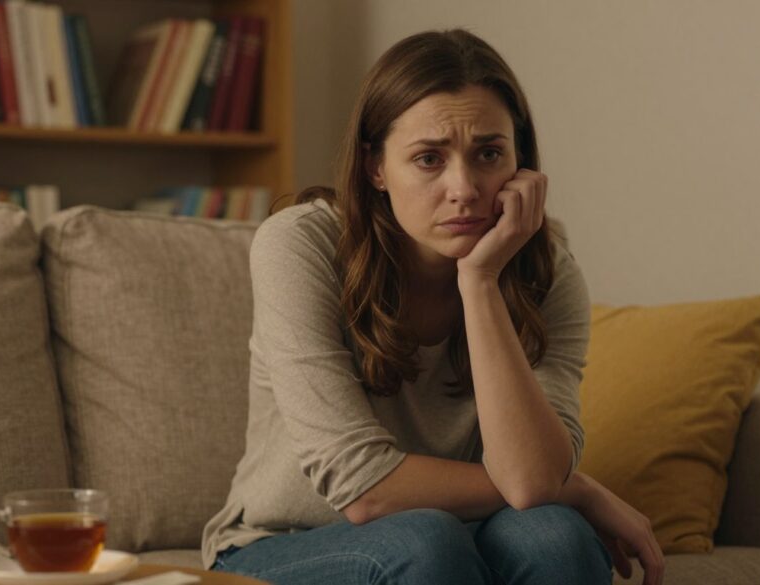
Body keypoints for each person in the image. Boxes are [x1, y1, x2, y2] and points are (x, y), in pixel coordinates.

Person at [201, 29, 665, 585]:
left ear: (520, 162)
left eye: (489, 153)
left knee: (557, 539)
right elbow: (364, 488)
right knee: (424, 541)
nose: (464, 188)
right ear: (375, 167)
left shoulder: (549, 274)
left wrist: (480, 281)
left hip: (466, 529)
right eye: (428, 159)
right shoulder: (300, 246)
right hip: (282, 543)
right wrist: (577, 488)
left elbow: (532, 481)